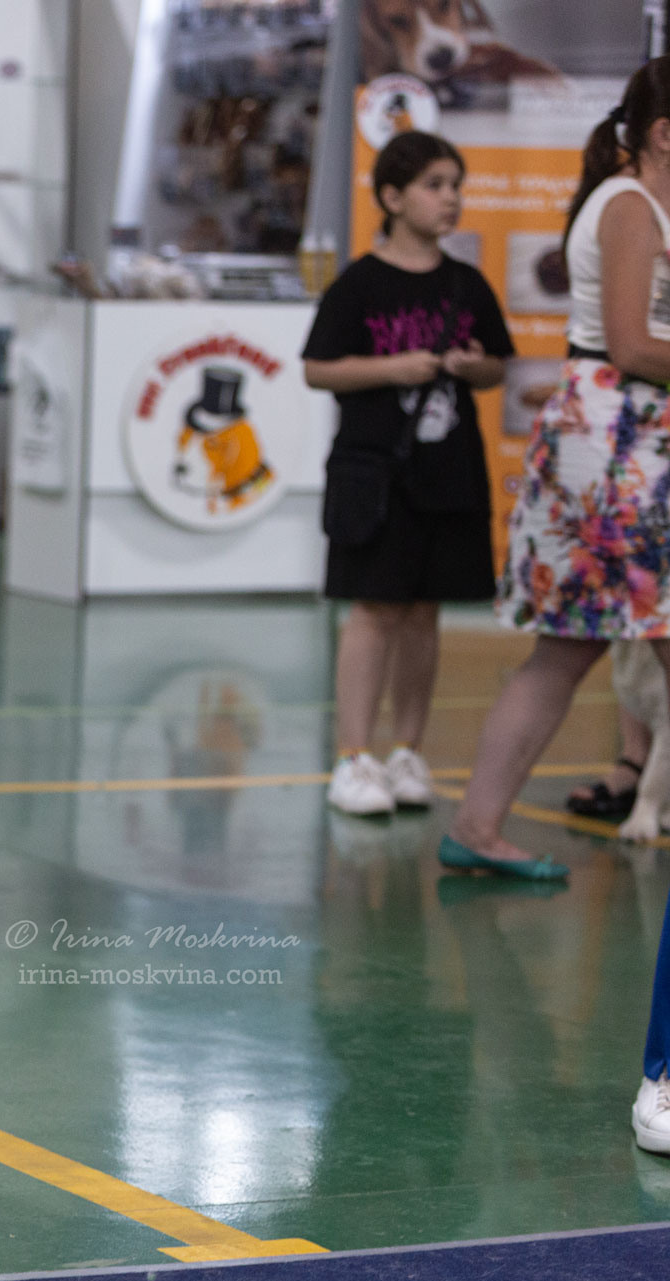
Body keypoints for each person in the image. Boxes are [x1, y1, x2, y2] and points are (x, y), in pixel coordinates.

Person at [447, 59, 670, 880]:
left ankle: (476, 825)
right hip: (618, 450)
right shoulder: (630, 207)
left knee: (563, 652)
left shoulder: (642, 204)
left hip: (619, 445)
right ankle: (475, 825)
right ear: (663, 135)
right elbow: (633, 345)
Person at [302, 130, 512, 817]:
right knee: (374, 609)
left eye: (455, 185)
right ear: (391, 197)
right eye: (434, 185)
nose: (449, 199)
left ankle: (406, 751)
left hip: (448, 471)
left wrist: (468, 365)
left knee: (425, 611)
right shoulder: (359, 283)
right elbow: (317, 368)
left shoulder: (465, 283)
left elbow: (496, 366)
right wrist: (392, 369)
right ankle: (352, 756)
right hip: (376, 474)